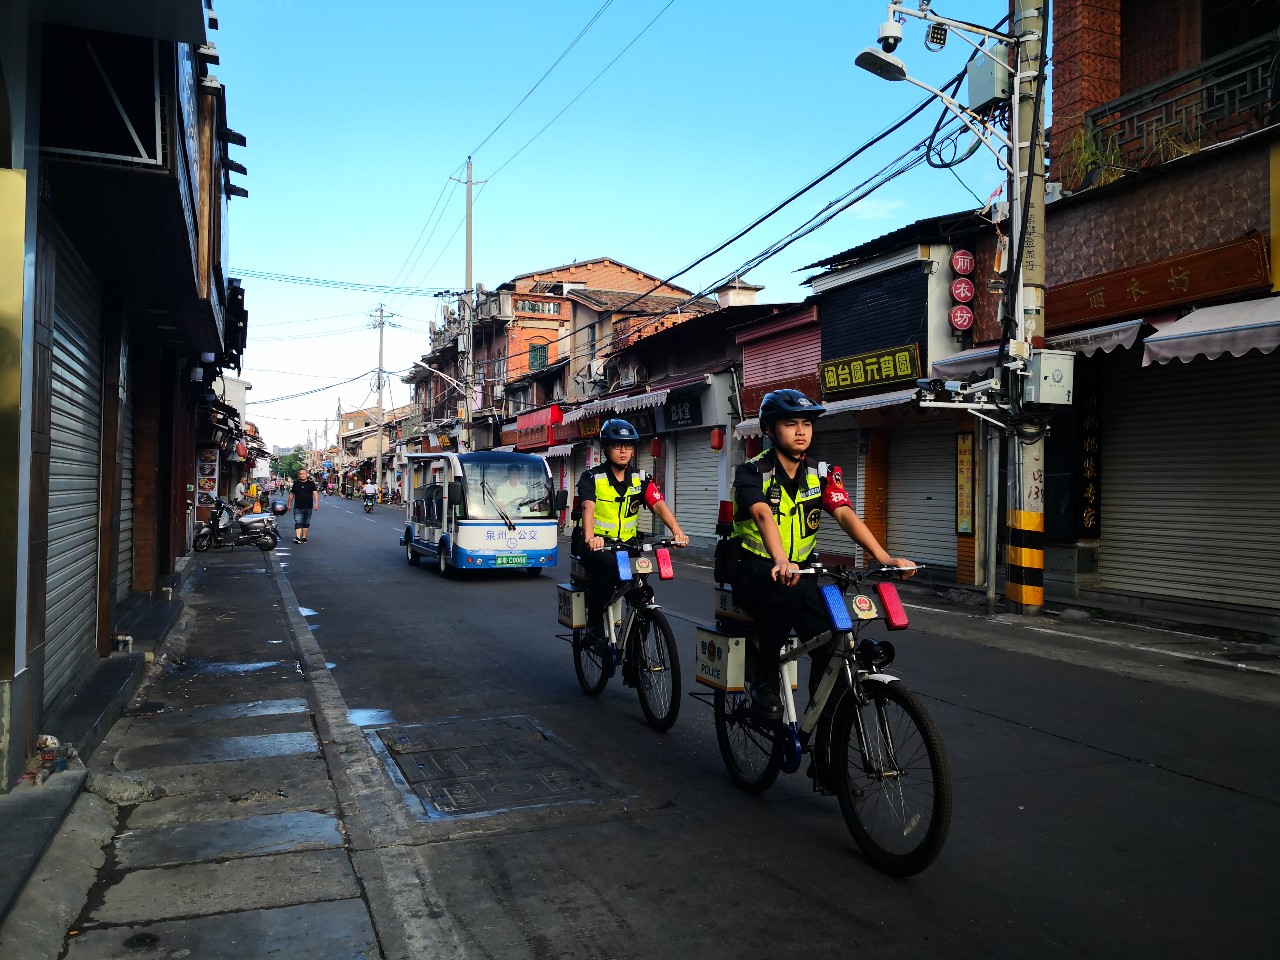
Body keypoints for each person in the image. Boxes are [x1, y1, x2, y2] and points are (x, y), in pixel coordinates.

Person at [730, 389, 915, 723]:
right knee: (790, 586)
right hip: (754, 569)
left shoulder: (822, 473)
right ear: (771, 430)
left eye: (807, 423)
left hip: (800, 571)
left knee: (834, 643)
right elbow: (762, 514)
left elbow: (844, 514)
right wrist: (780, 558)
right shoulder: (751, 471)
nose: (801, 431)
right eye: (790, 423)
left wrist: (883, 557)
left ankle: (824, 737)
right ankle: (764, 676)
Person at [575, 419, 689, 642]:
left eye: (628, 445)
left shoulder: (640, 479)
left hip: (627, 547)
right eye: (617, 445)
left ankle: (635, 661)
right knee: (607, 573)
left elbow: (657, 504)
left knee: (641, 594)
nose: (623, 450)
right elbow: (588, 506)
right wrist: (590, 537)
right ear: (606, 447)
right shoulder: (592, 478)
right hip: (599, 546)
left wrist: (677, 531)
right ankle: (595, 626)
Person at [286, 468, 319, 544]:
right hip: (298, 507)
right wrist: (289, 504)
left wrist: (316, 503)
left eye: (304, 473)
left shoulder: (311, 484)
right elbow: (291, 494)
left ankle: (304, 537)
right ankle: (297, 537)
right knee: (298, 522)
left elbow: (315, 493)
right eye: (300, 474)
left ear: (306, 474)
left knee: (306, 522)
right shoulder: (296, 484)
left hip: (308, 506)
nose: (302, 475)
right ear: (299, 475)